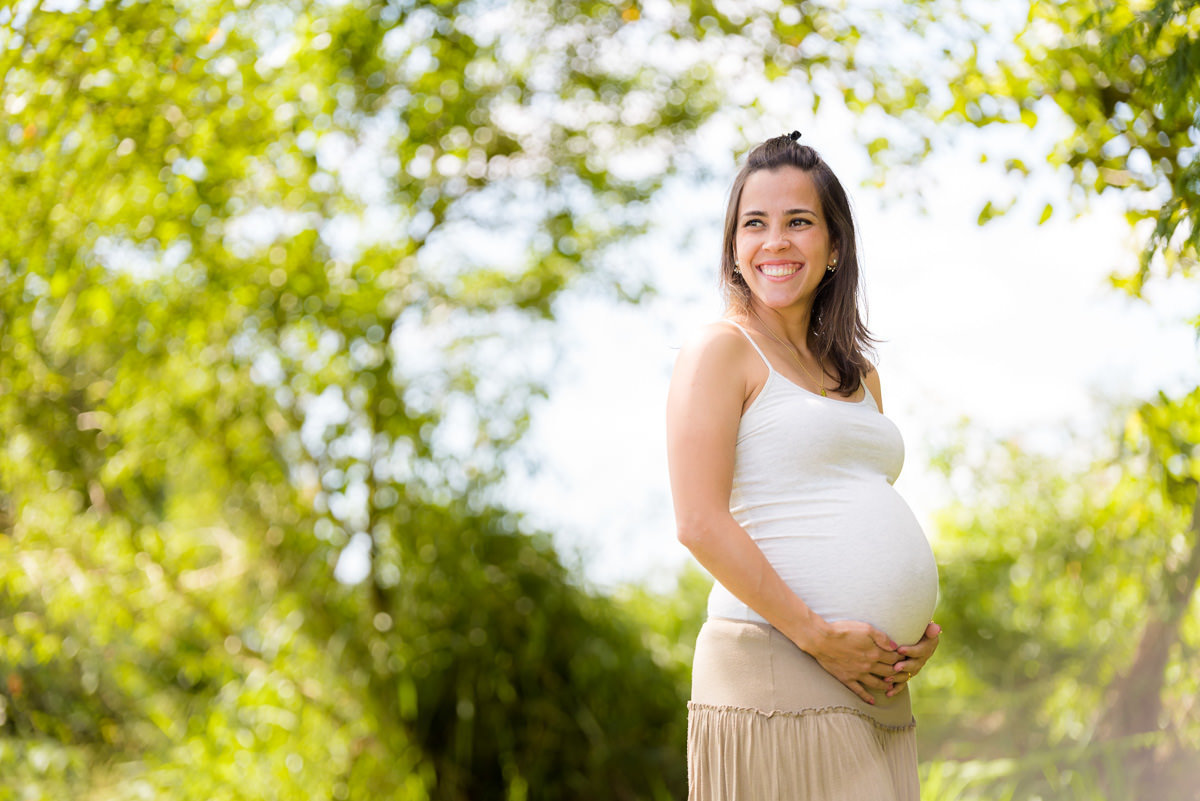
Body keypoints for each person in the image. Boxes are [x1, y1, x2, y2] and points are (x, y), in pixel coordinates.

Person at [665, 132, 942, 801]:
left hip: (874, 687)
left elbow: (843, 506)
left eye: (798, 222)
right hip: (778, 668)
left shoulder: (860, 376)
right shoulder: (721, 351)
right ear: (733, 246)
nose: (775, 242)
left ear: (835, 243)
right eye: (754, 223)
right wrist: (819, 636)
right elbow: (699, 522)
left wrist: (913, 632)